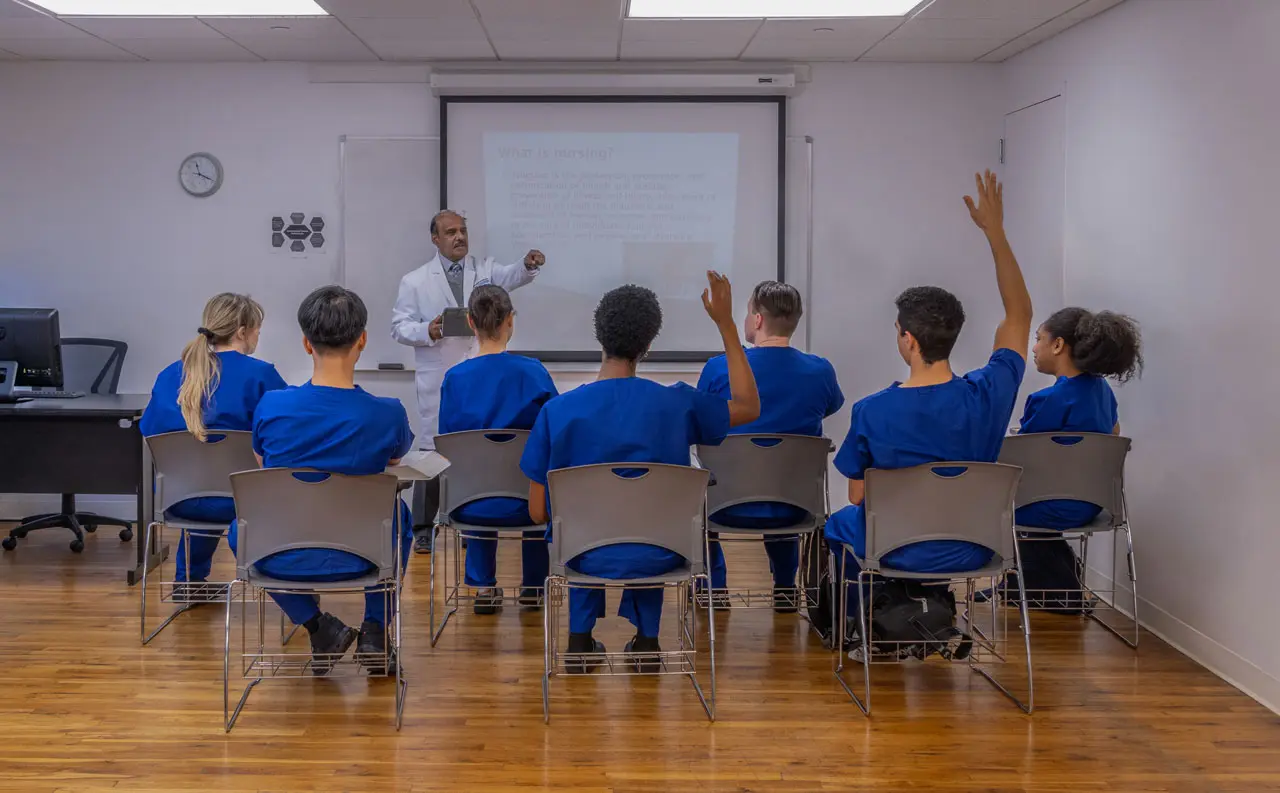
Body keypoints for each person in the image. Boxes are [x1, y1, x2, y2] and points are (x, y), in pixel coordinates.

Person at [520, 273, 760, 673]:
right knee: (648, 522)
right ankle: (648, 640)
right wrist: (726, 325)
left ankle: (579, 639)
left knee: (579, 526)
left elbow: (538, 512)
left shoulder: (557, 413)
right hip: (664, 553)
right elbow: (749, 407)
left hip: (582, 554)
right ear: (648, 346)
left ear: (600, 338)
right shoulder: (678, 404)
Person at [825, 170, 1032, 616]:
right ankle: (930, 612)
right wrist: (995, 235)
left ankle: (868, 630)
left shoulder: (872, 411)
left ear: (908, 340)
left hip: (896, 550)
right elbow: (1020, 315)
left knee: (840, 524)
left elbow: (858, 498)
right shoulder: (989, 393)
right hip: (975, 549)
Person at [233, 285, 415, 674]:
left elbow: (264, 462)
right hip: (362, 553)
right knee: (396, 515)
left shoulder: (272, 405)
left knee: (240, 529)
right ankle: (376, 631)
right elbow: (395, 458)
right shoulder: (387, 414)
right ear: (362, 340)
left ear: (305, 343)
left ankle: (318, 627)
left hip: (280, 552)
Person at [392, 210, 546, 555]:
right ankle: (423, 527)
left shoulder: (485, 270)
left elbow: (513, 275)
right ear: (436, 238)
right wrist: (426, 330)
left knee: (480, 448)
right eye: (450, 232)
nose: (459, 237)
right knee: (434, 447)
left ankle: (470, 517)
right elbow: (398, 326)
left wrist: (528, 263)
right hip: (440, 371)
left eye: (463, 230)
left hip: (481, 371)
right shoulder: (414, 281)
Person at [696, 280, 844, 613]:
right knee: (781, 478)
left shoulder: (719, 369)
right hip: (796, 509)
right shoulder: (821, 371)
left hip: (725, 508)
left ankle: (715, 589)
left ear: (758, 319)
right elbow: (830, 406)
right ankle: (785, 588)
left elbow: (703, 417)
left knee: (697, 496)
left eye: (748, 312)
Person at [139, 293, 286, 597]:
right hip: (240, 502)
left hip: (176, 500)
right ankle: (294, 593)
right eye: (257, 329)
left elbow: (150, 432)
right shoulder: (260, 375)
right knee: (239, 481)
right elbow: (287, 431)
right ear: (242, 332)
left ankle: (189, 582)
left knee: (205, 477)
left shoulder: (170, 374)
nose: (258, 336)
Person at [437, 284, 558, 614]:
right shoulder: (534, 372)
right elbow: (555, 436)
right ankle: (534, 586)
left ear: (470, 323)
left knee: (475, 471)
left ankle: (482, 586)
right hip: (527, 505)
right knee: (536, 471)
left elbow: (448, 447)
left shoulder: (455, 379)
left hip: (468, 506)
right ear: (510, 321)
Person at [1016, 307, 1142, 529]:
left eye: (1038, 339)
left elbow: (1022, 461)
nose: (1034, 348)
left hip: (1044, 505)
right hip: (1092, 504)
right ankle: (1061, 565)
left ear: (1058, 345)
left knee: (992, 507)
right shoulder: (1103, 391)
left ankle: (1039, 565)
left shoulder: (1047, 399)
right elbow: (1113, 433)